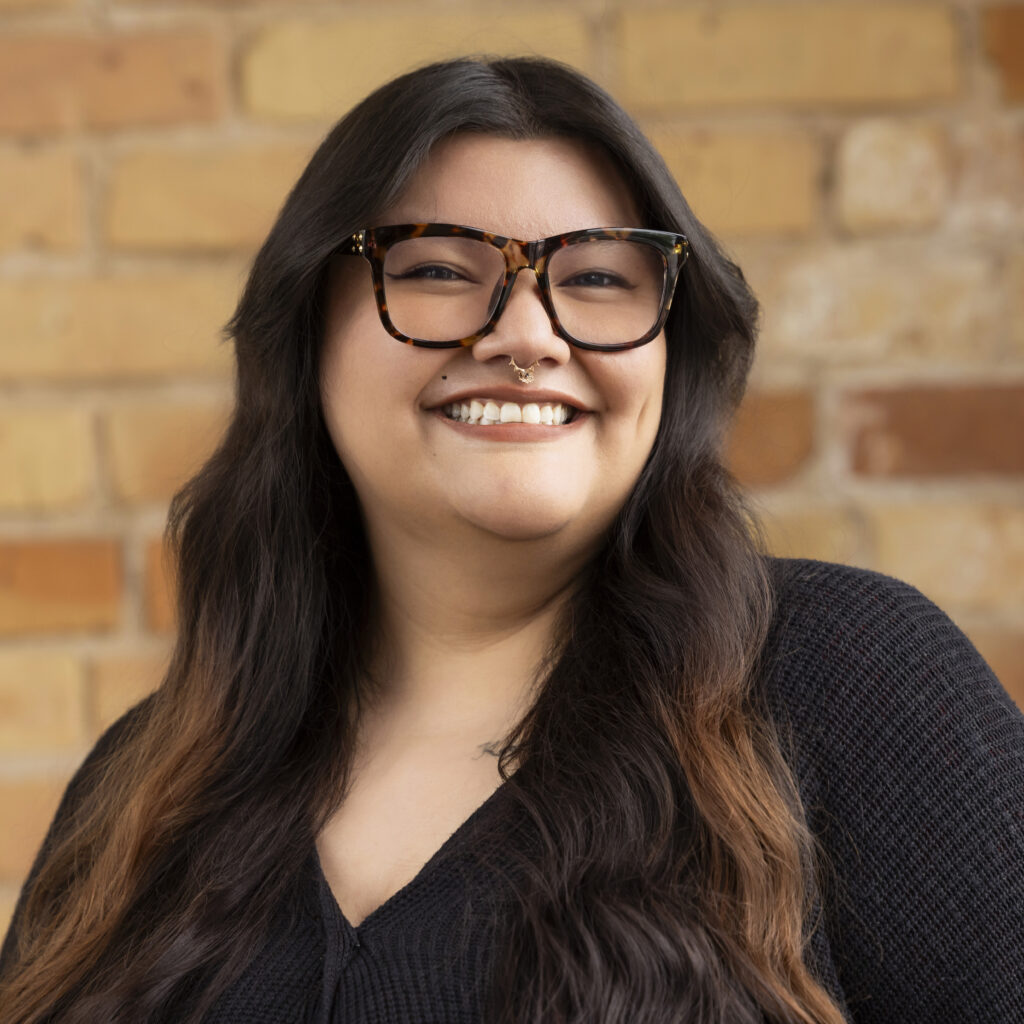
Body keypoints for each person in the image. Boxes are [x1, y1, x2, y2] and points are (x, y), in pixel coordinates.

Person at [1, 56, 1022, 1024]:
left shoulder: (849, 681)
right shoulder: (143, 787)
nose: (528, 334)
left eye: (598, 280)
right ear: (305, 333)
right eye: (441, 268)